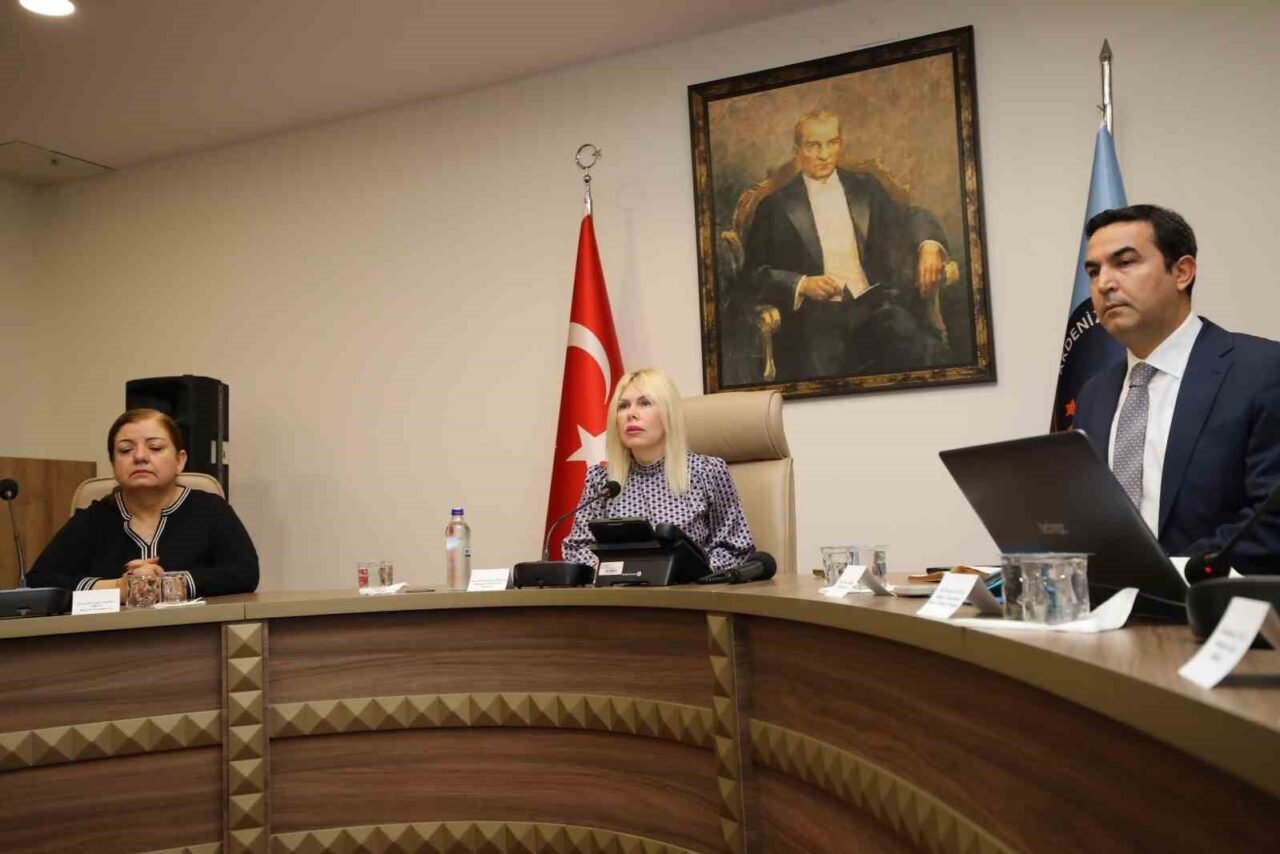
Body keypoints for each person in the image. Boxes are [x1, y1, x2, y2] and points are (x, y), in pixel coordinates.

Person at [1075, 204, 1280, 573]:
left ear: (1182, 272)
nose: (1104, 283)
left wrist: (1169, 575)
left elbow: (1270, 517)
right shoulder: (1094, 393)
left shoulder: (1263, 370)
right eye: (1094, 271)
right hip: (1110, 602)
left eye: (1125, 263)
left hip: (1218, 599)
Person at [742, 108, 951, 381]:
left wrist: (930, 245)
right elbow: (752, 275)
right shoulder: (775, 206)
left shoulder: (866, 188)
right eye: (813, 146)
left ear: (840, 144)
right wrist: (802, 284)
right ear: (797, 151)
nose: (824, 154)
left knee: (924, 354)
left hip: (876, 306)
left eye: (831, 143)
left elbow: (912, 216)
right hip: (814, 321)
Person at [27, 409, 260, 598]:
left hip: (194, 635)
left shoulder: (210, 509)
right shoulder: (93, 519)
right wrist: (118, 588)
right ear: (113, 465)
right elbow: (38, 581)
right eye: (126, 450)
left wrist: (168, 584)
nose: (140, 456)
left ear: (179, 461)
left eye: (155, 447)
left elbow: (245, 573)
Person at [561, 368, 754, 571]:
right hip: (619, 589)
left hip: (689, 588)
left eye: (645, 403)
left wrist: (696, 570)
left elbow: (736, 548)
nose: (631, 414)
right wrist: (609, 570)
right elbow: (577, 548)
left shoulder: (707, 471)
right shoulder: (602, 481)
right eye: (623, 406)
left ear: (668, 414)